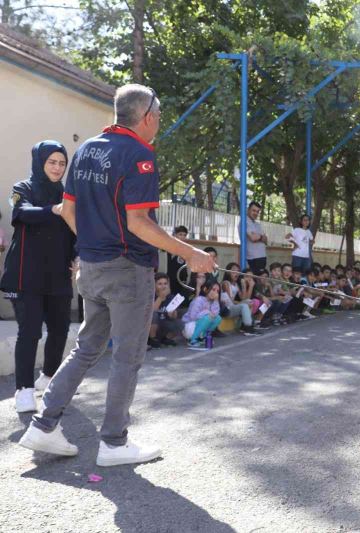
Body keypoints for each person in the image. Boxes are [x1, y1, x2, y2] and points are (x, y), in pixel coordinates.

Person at [20, 84, 216, 467]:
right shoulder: (140, 154)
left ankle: (43, 426)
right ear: (147, 117)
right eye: (158, 116)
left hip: (91, 267)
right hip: (128, 270)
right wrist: (190, 253)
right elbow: (138, 222)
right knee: (127, 356)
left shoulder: (86, 149)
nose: (158, 123)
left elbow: (70, 212)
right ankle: (113, 442)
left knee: (86, 347)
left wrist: (95, 247)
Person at [1, 141, 76, 413]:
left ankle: (47, 377)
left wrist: (77, 258)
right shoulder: (23, 188)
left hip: (58, 274)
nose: (57, 168)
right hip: (26, 274)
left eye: (61, 163)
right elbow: (21, 213)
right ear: (40, 162)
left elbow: (75, 231)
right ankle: (24, 390)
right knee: (30, 331)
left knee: (60, 329)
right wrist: (54, 210)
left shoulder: (68, 195)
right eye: (52, 162)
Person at [221, 263, 260, 336]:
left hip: (232, 307)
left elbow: (244, 298)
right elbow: (230, 301)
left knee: (249, 302)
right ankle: (248, 328)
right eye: (233, 271)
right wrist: (240, 303)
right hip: (227, 309)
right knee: (244, 306)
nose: (236, 273)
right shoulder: (226, 283)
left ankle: (244, 326)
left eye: (238, 271)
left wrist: (244, 286)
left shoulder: (235, 284)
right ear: (228, 272)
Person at [182, 279, 223, 347]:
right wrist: (207, 313)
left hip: (199, 326)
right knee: (208, 317)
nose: (215, 293)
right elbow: (193, 316)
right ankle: (192, 340)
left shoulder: (212, 302)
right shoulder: (199, 300)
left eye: (217, 291)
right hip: (190, 327)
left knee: (218, 318)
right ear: (205, 289)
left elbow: (214, 314)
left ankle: (202, 337)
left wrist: (216, 301)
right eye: (213, 289)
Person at [149, 273, 183, 347]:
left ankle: (166, 339)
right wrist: (160, 298)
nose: (163, 286)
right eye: (160, 284)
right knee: (153, 315)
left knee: (180, 323)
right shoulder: (151, 296)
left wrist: (173, 314)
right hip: (152, 326)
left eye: (165, 283)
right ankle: (152, 339)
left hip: (164, 324)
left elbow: (174, 317)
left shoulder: (171, 297)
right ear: (154, 285)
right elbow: (151, 312)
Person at [166, 225, 189, 298]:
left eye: (184, 235)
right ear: (175, 235)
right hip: (172, 278)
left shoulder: (186, 248)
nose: (182, 237)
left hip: (182, 280)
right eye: (180, 234)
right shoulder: (171, 246)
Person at [245, 201, 268, 274]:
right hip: (253, 258)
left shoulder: (257, 224)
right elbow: (253, 238)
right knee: (256, 280)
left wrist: (259, 237)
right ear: (248, 210)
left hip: (262, 256)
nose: (256, 213)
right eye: (253, 210)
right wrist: (261, 237)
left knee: (261, 279)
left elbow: (266, 240)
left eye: (257, 211)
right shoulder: (245, 222)